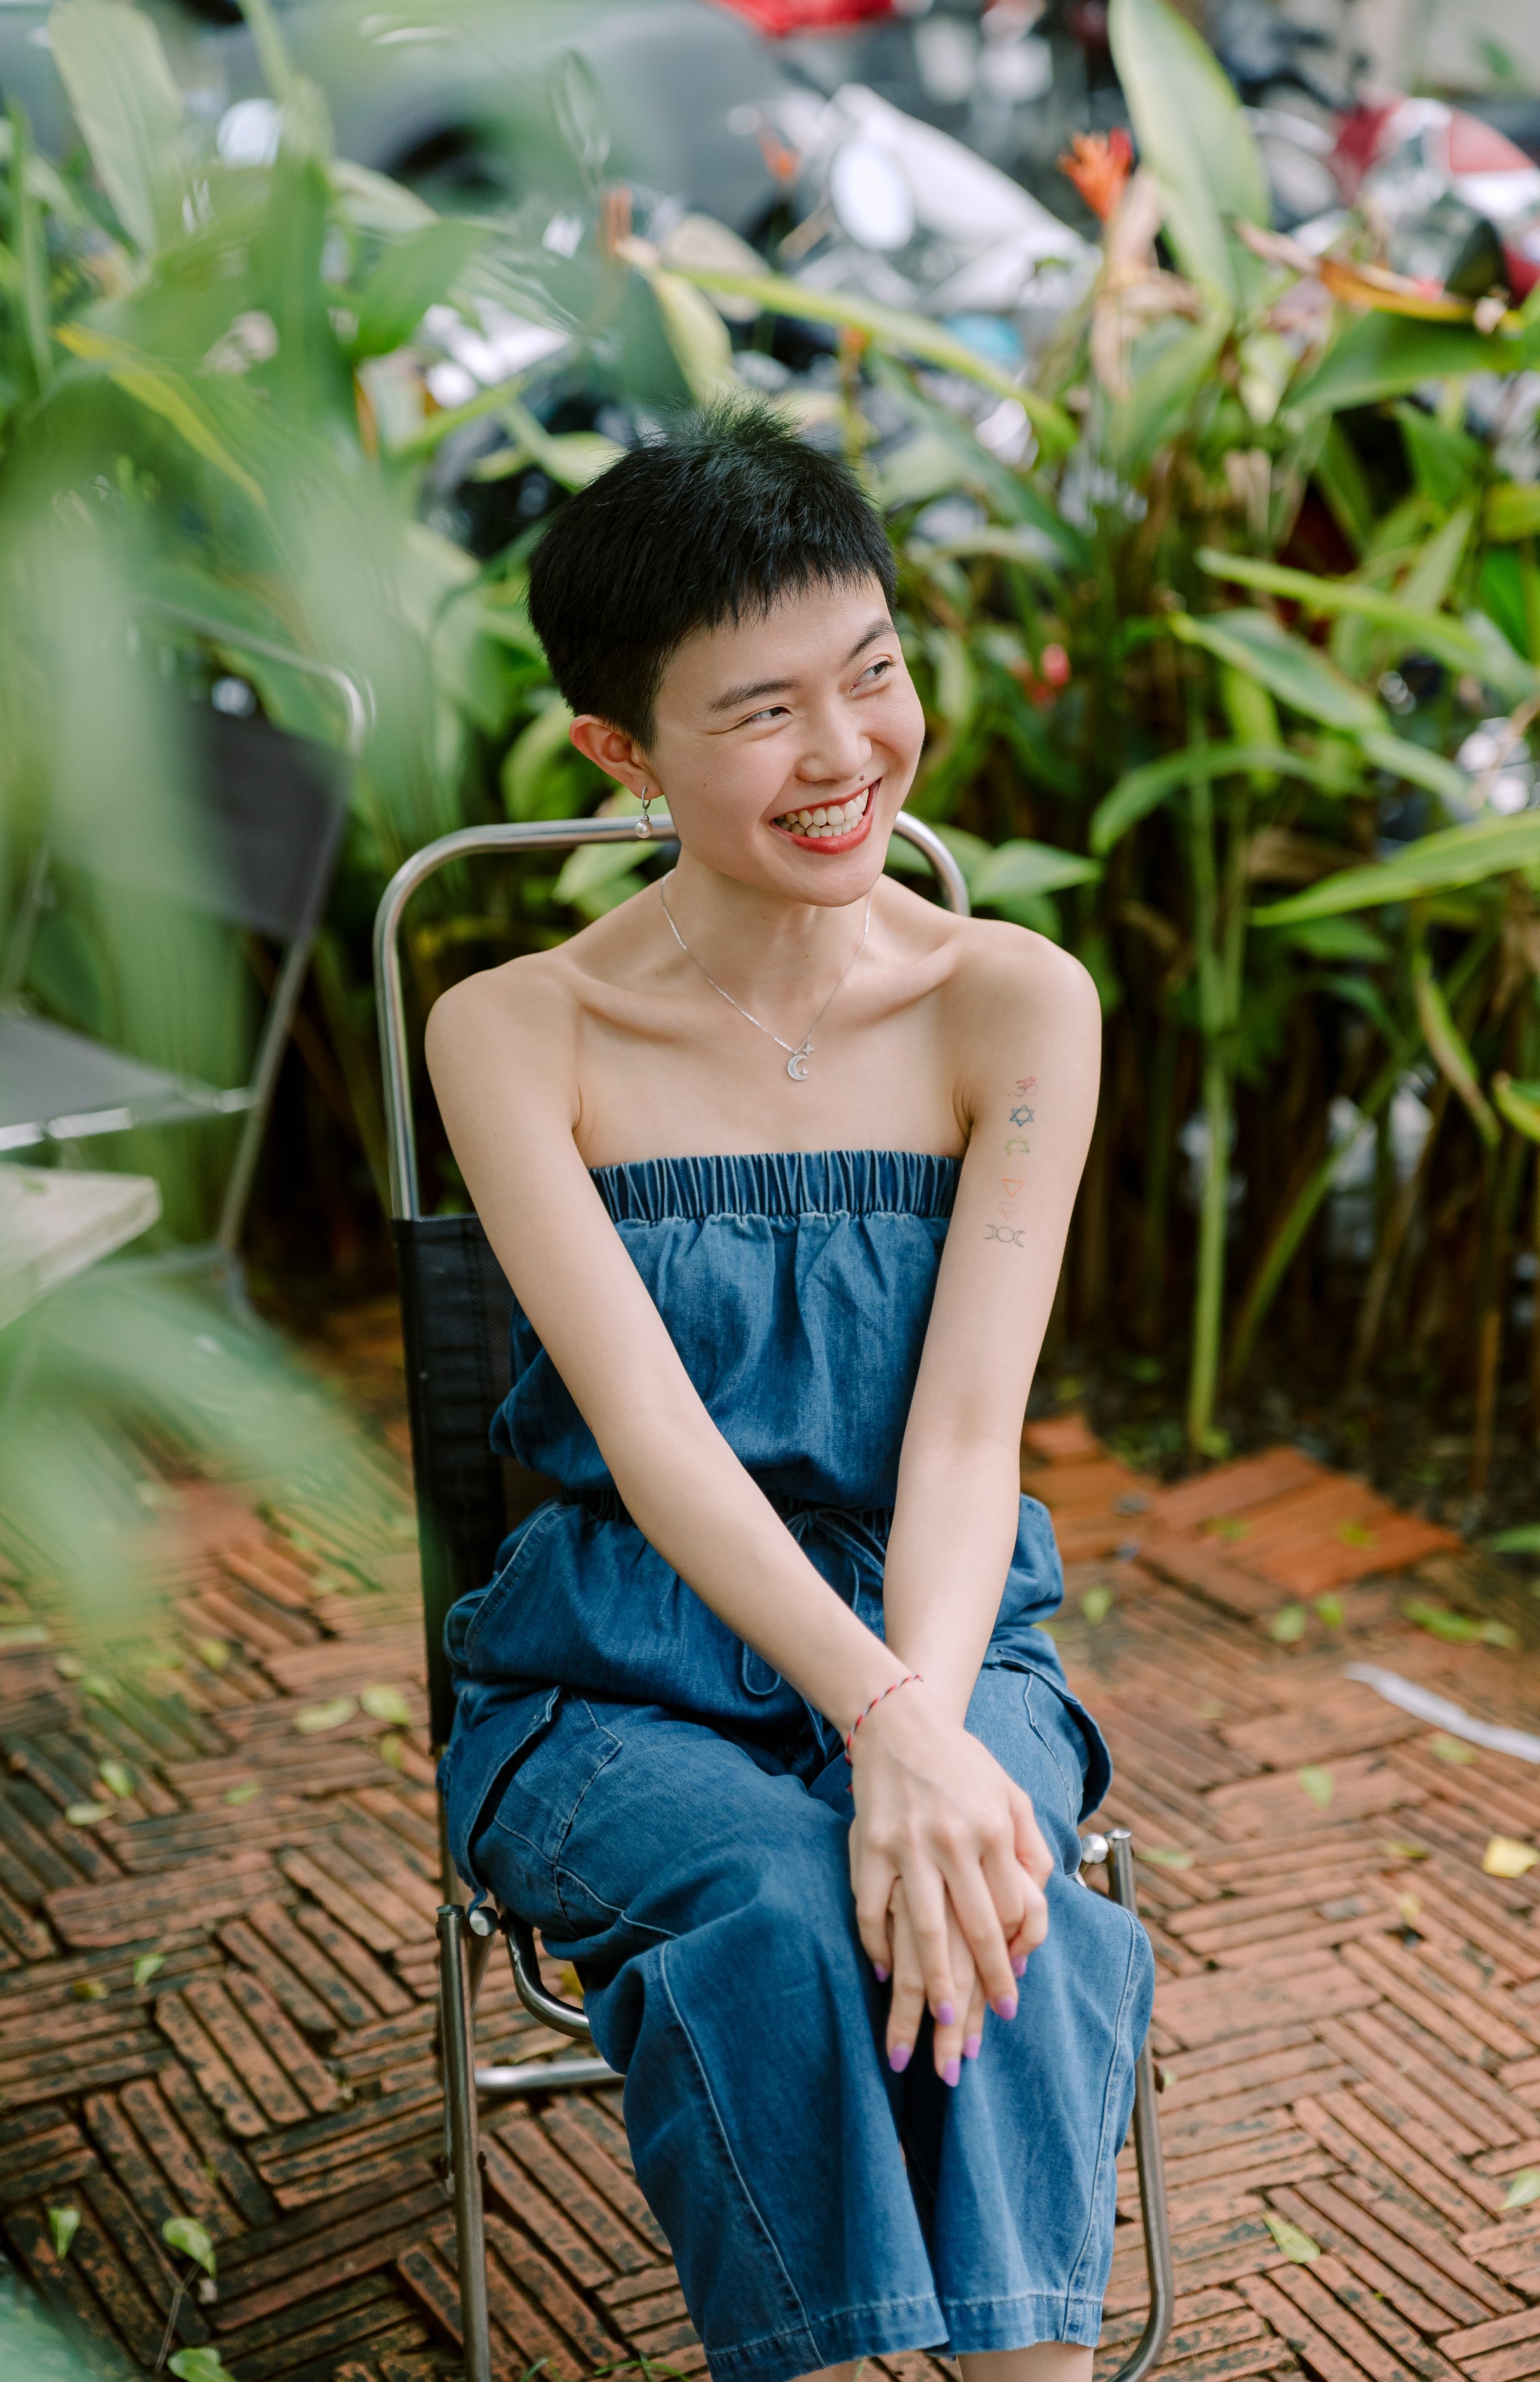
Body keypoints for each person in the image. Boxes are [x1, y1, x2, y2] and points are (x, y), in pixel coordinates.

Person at [428, 403, 1152, 2382]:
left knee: (994, 1886)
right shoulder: (519, 1031)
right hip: (612, 1661)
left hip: (935, 1602)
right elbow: (651, 1444)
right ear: (620, 755)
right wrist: (879, 1738)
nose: (845, 756)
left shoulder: (1014, 1004)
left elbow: (960, 1433)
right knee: (772, 1908)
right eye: (758, 713)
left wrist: (917, 1728)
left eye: (873, 674)